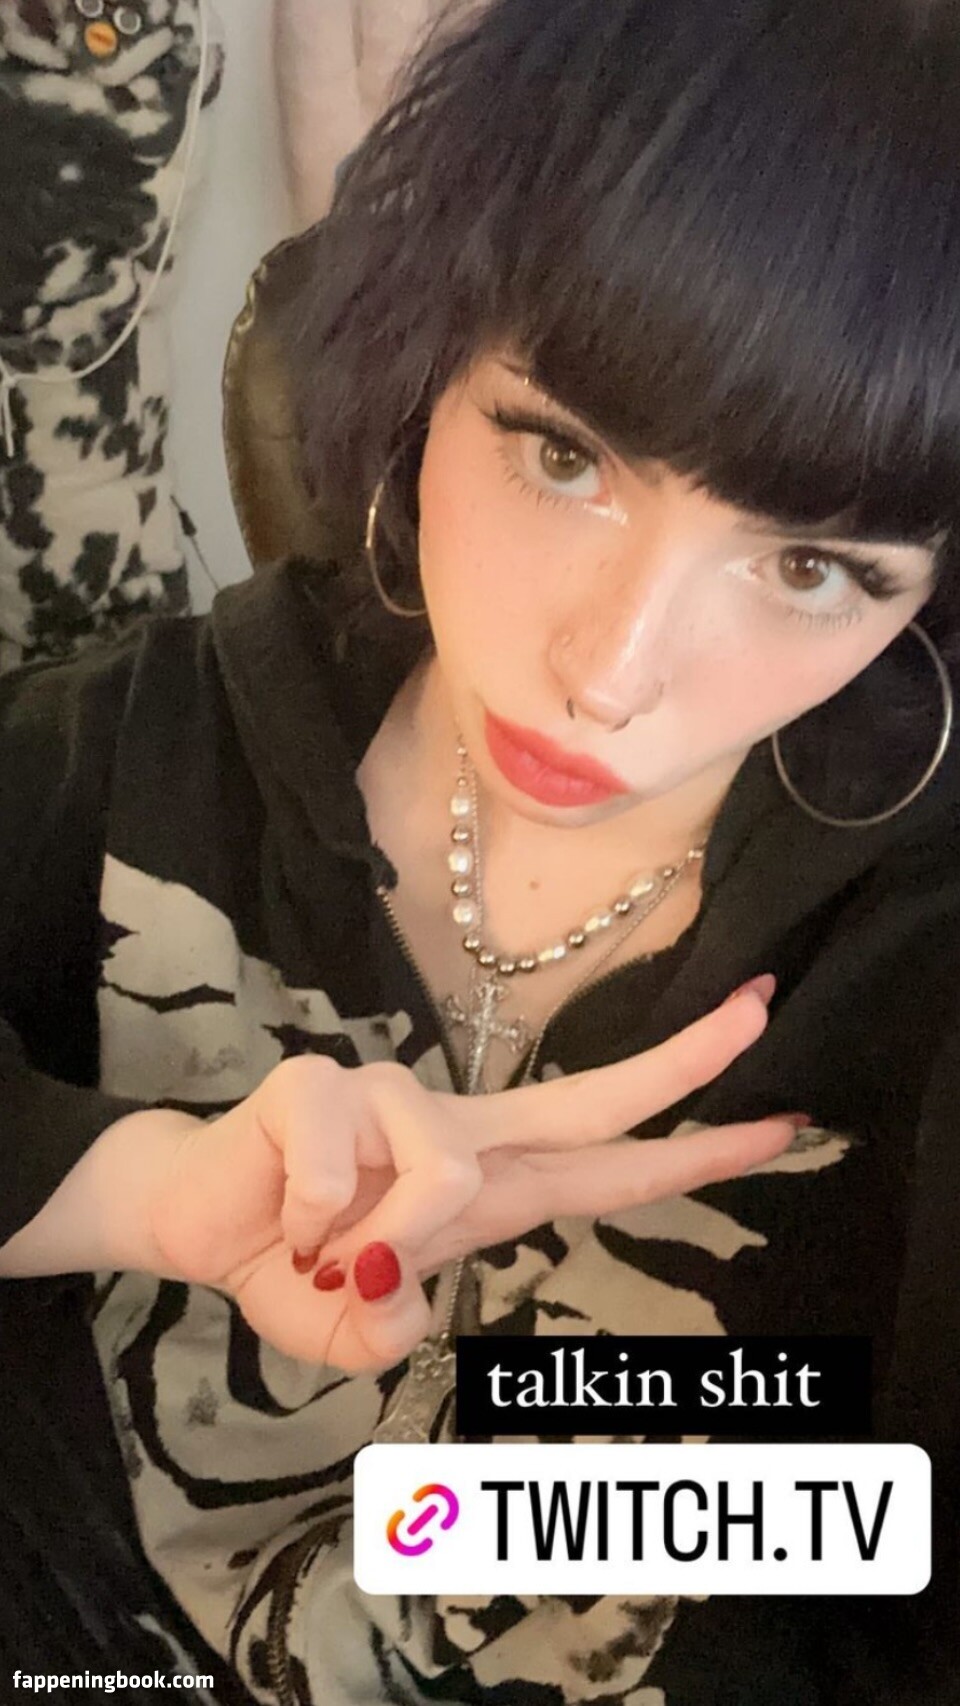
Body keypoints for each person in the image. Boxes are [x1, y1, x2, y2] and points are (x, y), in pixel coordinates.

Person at [2, 0, 960, 1699]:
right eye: (563, 453)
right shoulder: (127, 750)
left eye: (812, 566)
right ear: (429, 357)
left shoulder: (916, 961)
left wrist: (500, 1451)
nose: (611, 674)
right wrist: (126, 1183)